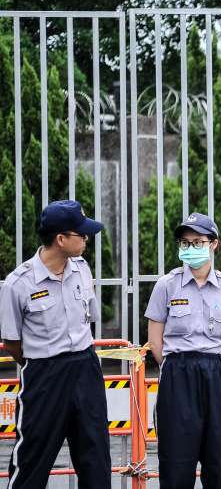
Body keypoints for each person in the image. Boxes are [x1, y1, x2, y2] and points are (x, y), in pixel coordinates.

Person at [0, 199, 110, 488]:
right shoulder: (18, 284)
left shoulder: (82, 269)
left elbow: (90, 319)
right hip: (44, 374)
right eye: (81, 234)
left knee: (95, 456)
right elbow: (12, 343)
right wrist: (42, 361)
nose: (87, 239)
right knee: (32, 458)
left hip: (86, 368)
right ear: (61, 239)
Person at [145, 212, 221, 488]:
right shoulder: (166, 285)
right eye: (185, 243)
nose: (191, 248)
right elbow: (156, 340)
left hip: (216, 372)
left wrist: (213, 361)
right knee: (177, 457)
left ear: (214, 244)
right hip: (177, 371)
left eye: (198, 241)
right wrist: (178, 365)